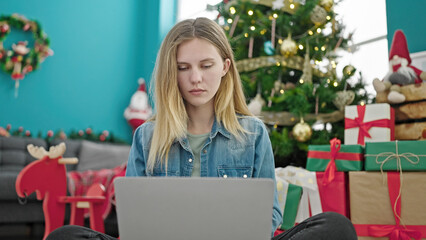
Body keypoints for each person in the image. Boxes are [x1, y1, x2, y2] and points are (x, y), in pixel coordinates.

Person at [46, 17, 356, 240]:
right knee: (66, 236)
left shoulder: (253, 133)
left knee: (335, 227)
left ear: (224, 67)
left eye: (206, 66)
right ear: (172, 73)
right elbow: (133, 221)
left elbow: (269, 216)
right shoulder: (147, 136)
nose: (196, 78)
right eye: (183, 68)